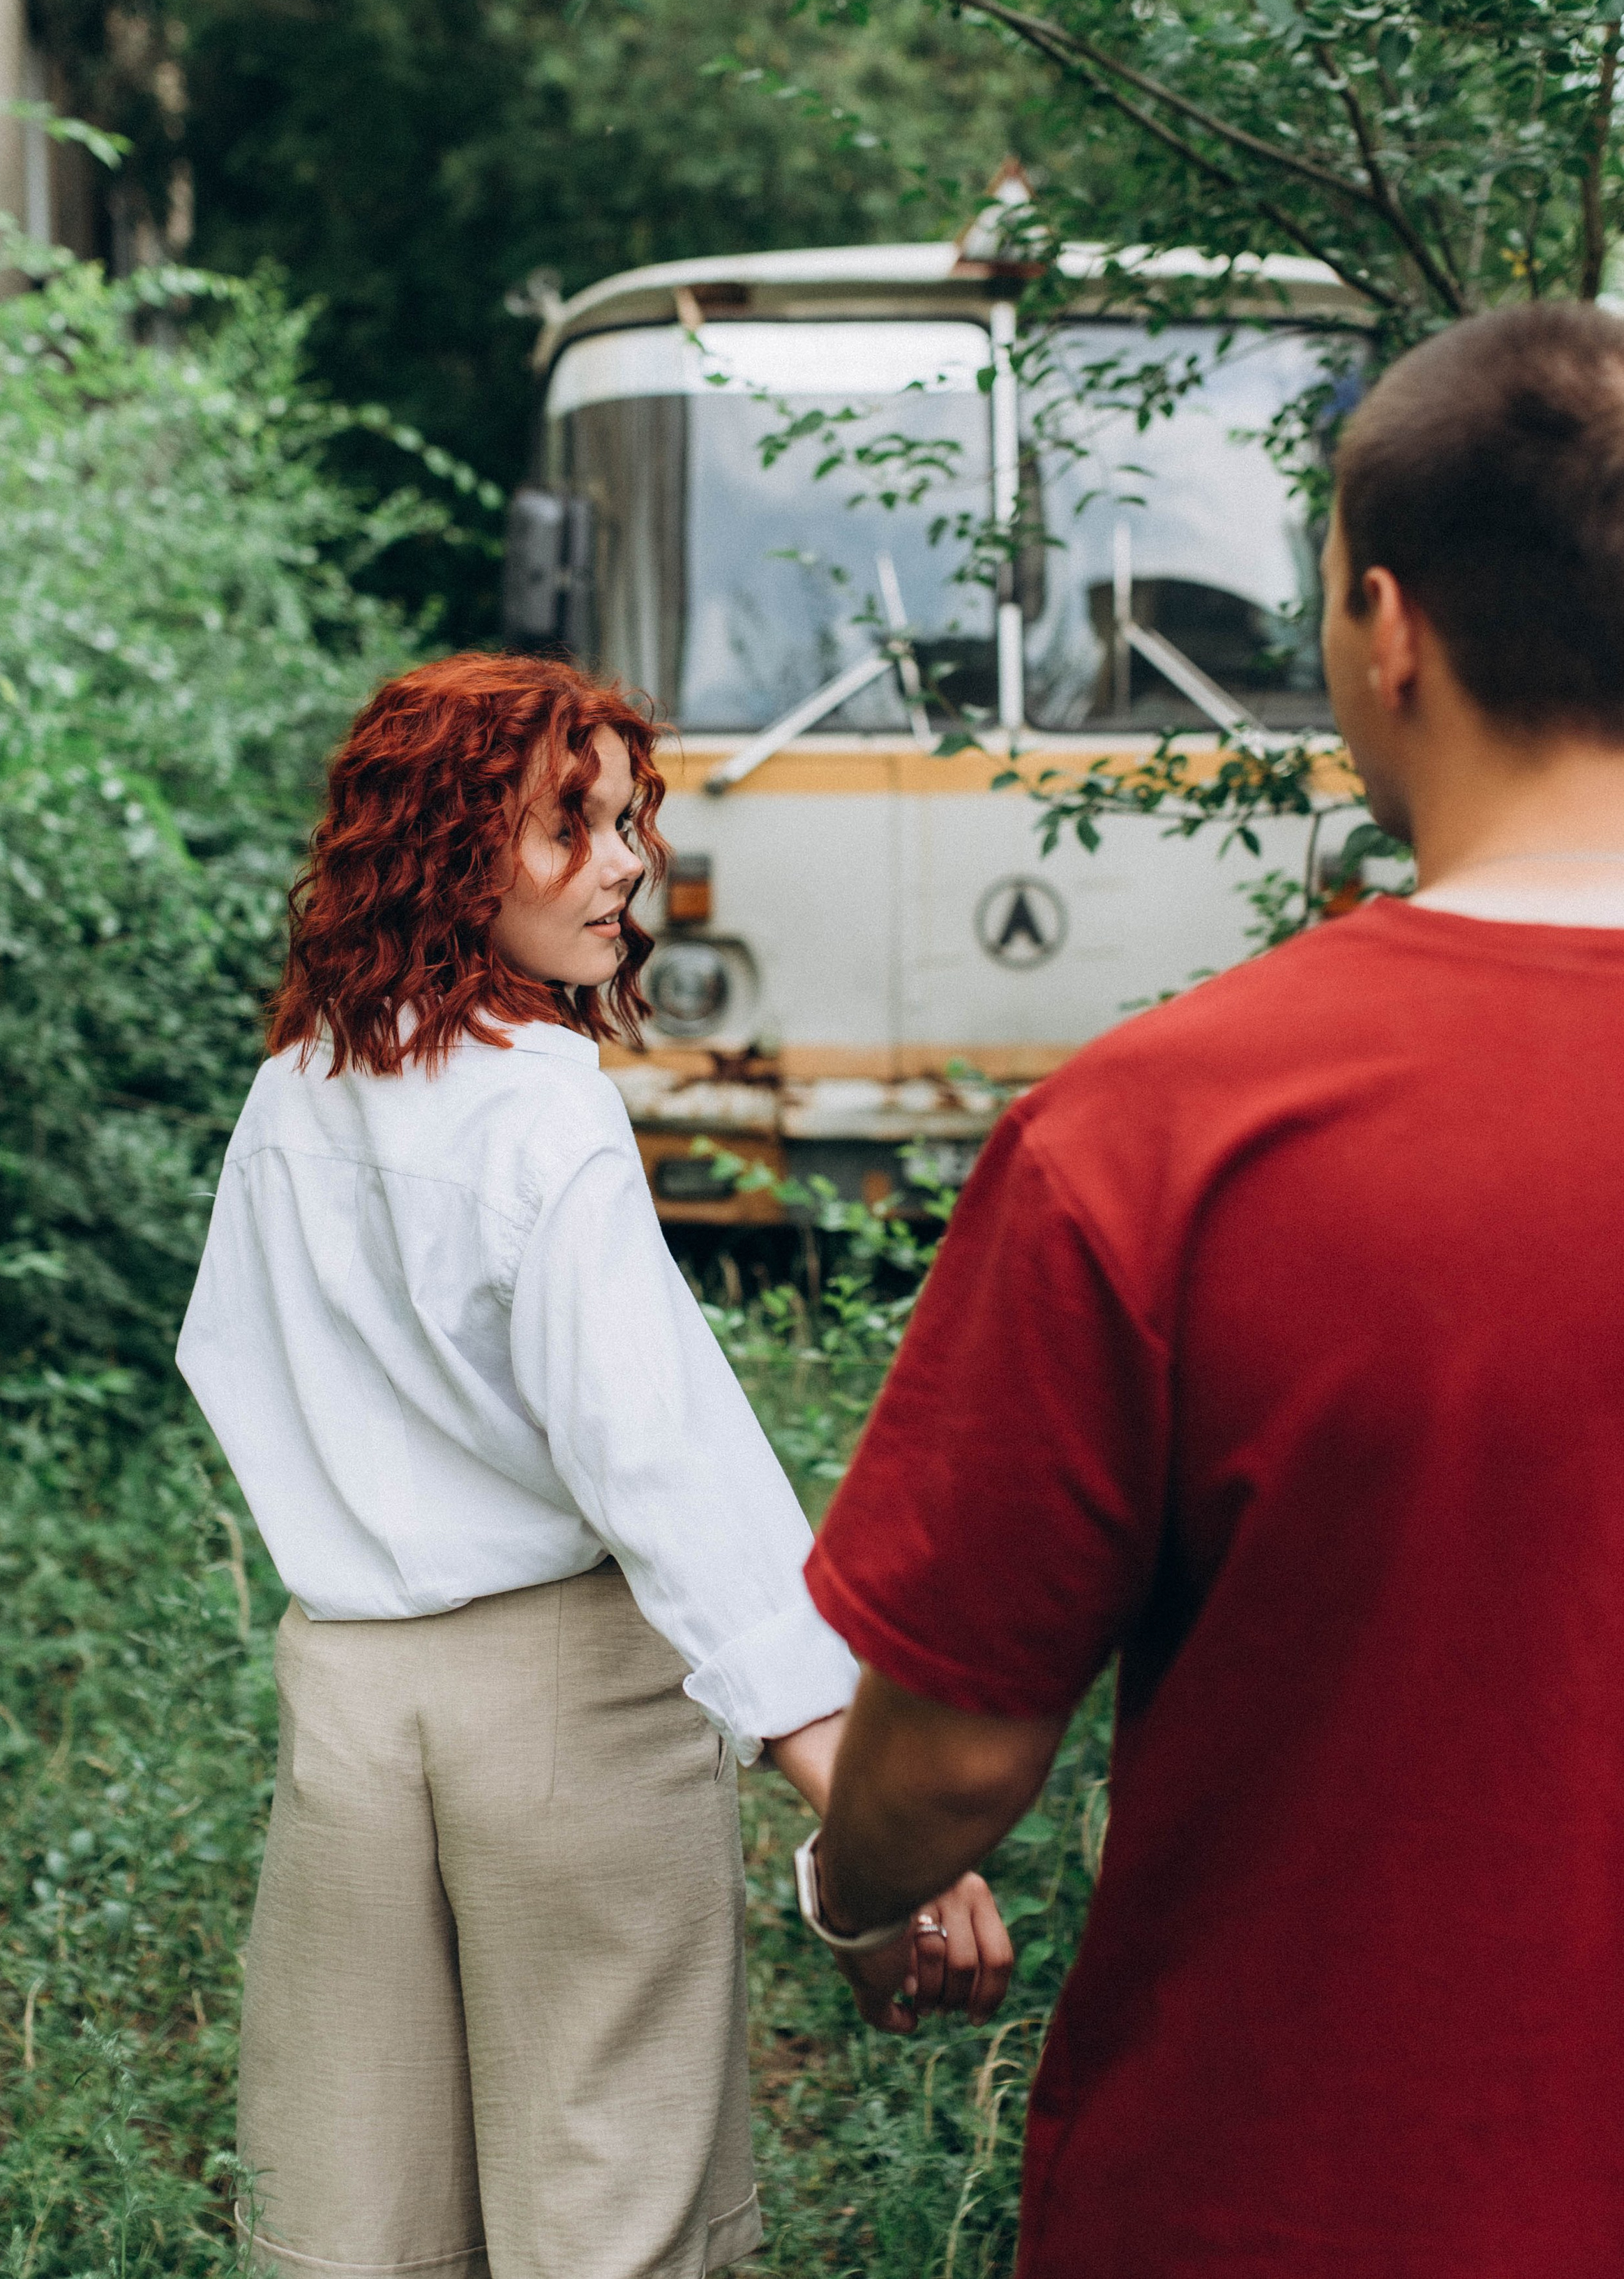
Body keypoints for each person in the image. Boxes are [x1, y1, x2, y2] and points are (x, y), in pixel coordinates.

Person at [792, 301, 1624, 2276]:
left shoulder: (1161, 1131)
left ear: (1385, 625)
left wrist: (850, 1887)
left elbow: (957, 1754)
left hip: (1285, 2194)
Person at [176, 652, 1008, 2279]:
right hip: (567, 1706)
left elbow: (227, 1353)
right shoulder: (541, 1112)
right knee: (607, 2217)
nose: (628, 863)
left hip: (345, 1702)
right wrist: (869, 1822)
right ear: (450, 839)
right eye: (577, 824)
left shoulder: (295, 1090)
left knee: (353, 2226)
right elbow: (662, 1471)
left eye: (629, 822)